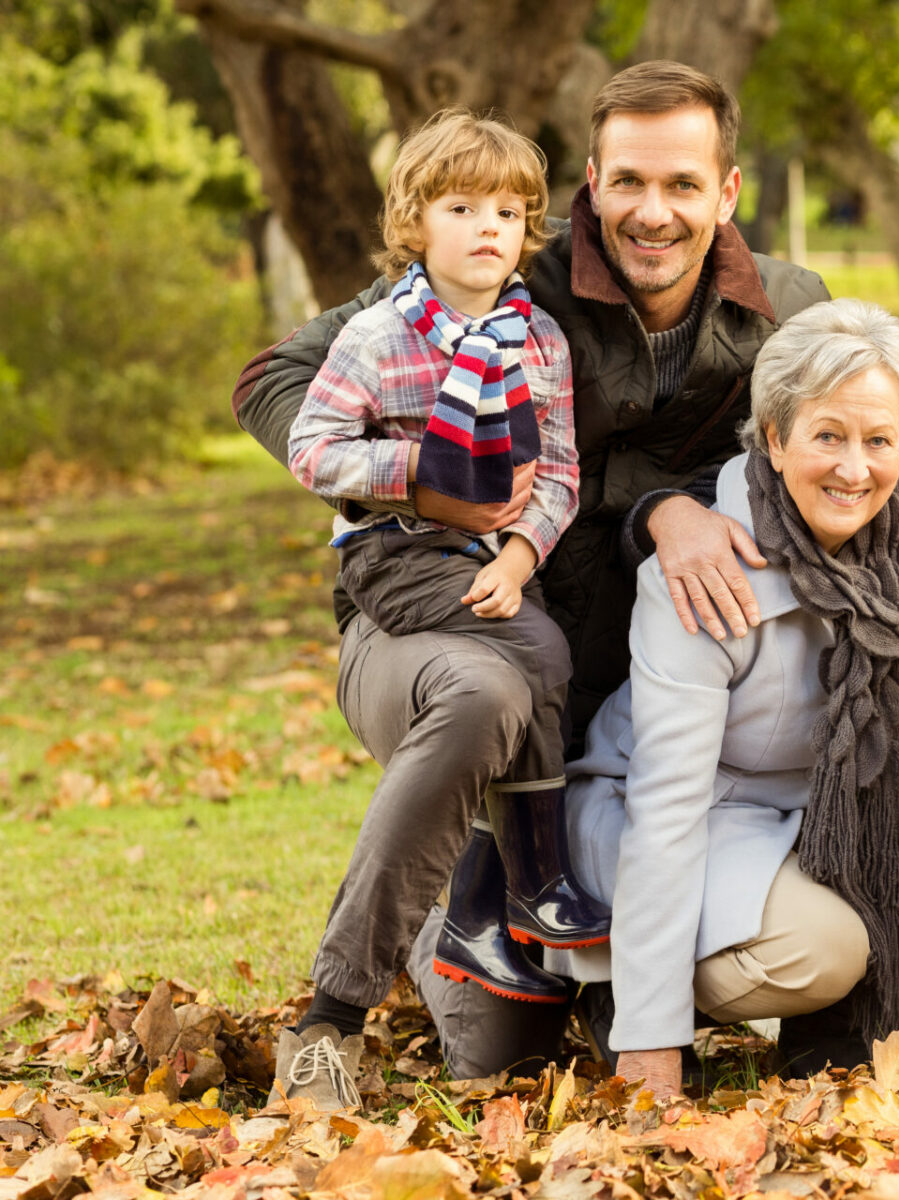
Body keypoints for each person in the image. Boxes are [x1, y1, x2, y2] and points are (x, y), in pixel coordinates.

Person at [235, 65, 899, 1079]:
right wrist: (426, 481)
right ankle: (430, 933)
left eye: (681, 184)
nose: (652, 212)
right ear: (591, 183)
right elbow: (276, 378)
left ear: (727, 192)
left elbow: (881, 393)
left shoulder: (787, 306)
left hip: (639, 669)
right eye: (627, 182)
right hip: (457, 613)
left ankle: (821, 1002)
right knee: (505, 1020)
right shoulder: (503, 270)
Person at [544, 298, 899, 1100]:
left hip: (815, 815)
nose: (856, 469)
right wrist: (653, 1040)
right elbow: (665, 812)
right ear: (774, 439)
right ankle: (623, 997)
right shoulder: (704, 571)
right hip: (685, 818)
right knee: (827, 947)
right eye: (827, 436)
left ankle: (838, 1028)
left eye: (879, 441)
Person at [269, 110, 594, 1112]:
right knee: (518, 661)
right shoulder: (378, 333)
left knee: (532, 648)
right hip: (395, 557)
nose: (488, 227)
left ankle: (526, 883)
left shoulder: (537, 337)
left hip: (494, 571)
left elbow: (560, 471)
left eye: (509, 210)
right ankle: (334, 1016)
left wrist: (518, 546)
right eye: (462, 208)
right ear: (415, 222)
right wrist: (422, 475)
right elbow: (314, 451)